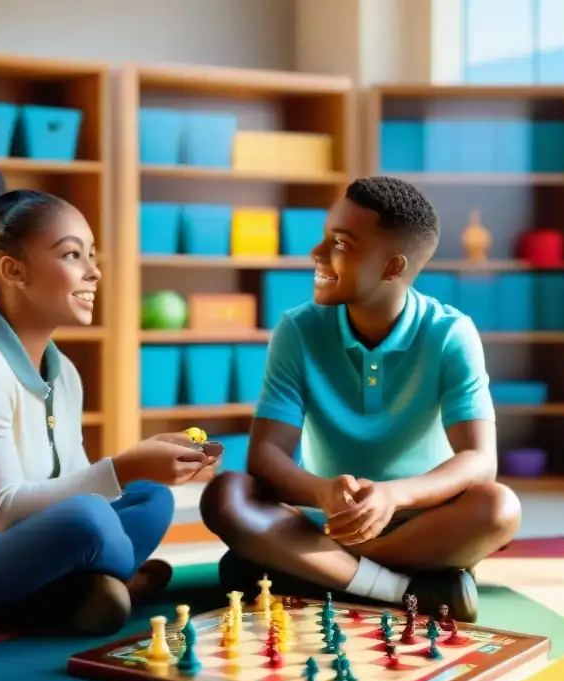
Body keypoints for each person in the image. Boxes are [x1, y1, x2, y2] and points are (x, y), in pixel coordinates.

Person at [0, 163, 218, 635]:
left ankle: (91, 590)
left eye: (91, 255)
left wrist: (144, 467)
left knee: (150, 498)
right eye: (72, 255)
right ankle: (111, 579)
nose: (94, 272)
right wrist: (124, 466)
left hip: (22, 545)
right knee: (89, 518)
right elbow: (4, 509)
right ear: (13, 271)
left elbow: (72, 481)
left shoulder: (62, 371)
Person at [200, 176, 521, 622]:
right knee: (226, 494)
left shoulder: (451, 334)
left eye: (340, 245)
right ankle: (398, 589)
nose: (316, 253)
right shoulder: (298, 329)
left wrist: (394, 496)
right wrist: (321, 491)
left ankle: (314, 569)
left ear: (392, 268)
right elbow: (266, 455)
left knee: (499, 507)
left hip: (422, 525)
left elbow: (479, 460)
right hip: (324, 521)